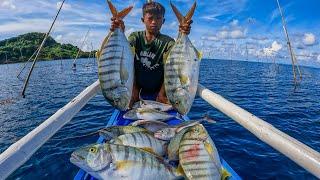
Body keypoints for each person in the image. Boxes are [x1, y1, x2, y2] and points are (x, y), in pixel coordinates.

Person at [110, 1, 192, 106]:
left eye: (158, 18)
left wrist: (162, 94)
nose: (154, 22)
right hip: (136, 88)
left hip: (159, 90)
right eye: (150, 18)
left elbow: (172, 69)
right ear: (143, 20)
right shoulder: (135, 37)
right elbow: (125, 57)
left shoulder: (168, 42)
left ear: (163, 21)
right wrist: (119, 31)